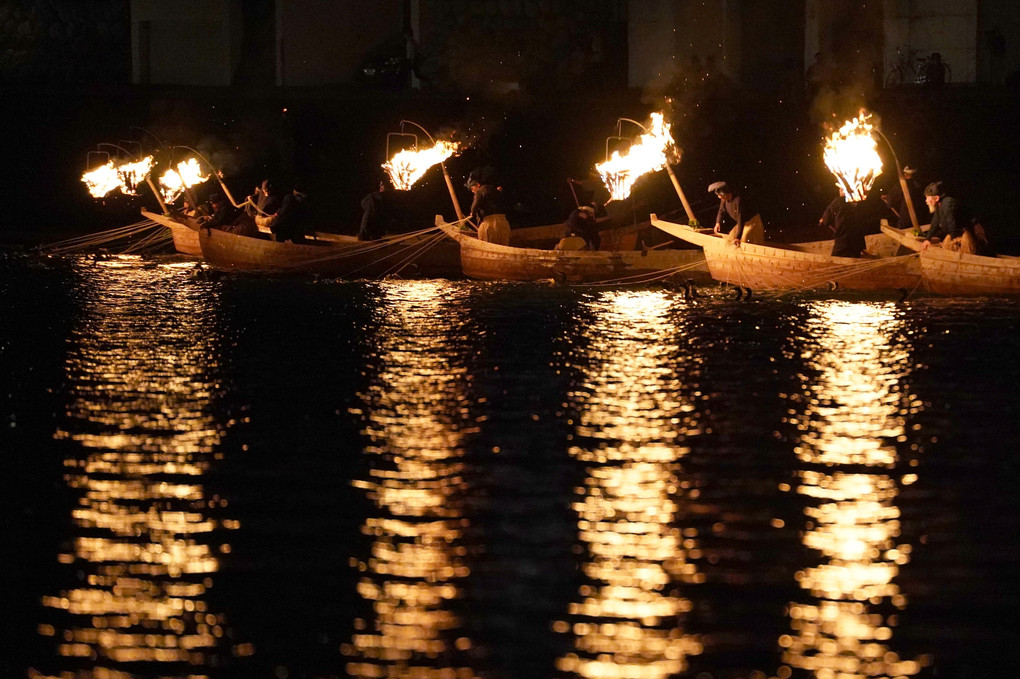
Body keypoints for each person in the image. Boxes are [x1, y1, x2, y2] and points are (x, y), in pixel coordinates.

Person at [922, 181, 990, 255]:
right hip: (954, 234)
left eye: (927, 198)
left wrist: (952, 240)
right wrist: (927, 239)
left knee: (964, 253)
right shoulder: (939, 206)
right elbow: (935, 222)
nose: (926, 201)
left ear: (937, 198)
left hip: (962, 234)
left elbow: (951, 222)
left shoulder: (948, 204)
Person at [709, 181, 765, 245]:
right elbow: (721, 210)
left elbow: (741, 218)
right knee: (731, 238)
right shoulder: (724, 199)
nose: (719, 197)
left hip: (752, 223)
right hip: (741, 223)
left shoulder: (738, 200)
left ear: (726, 193)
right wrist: (718, 223)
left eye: (720, 195)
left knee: (743, 241)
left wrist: (738, 237)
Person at [819, 187, 868, 257]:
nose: (839, 191)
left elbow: (827, 219)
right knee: (855, 259)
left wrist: (823, 220)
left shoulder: (839, 200)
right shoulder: (858, 201)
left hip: (843, 242)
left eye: (841, 189)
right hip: (858, 241)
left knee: (835, 261)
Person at [467, 167, 510, 246]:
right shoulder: (494, 189)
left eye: (472, 188)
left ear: (478, 185)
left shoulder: (479, 191)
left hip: (490, 223)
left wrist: (472, 213)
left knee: (488, 243)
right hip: (504, 222)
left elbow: (475, 205)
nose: (472, 191)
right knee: (502, 244)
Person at [881, 165, 925, 231]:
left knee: (904, 232)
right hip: (922, 218)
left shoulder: (902, 185)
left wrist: (887, 198)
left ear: (905, 174)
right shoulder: (920, 184)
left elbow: (893, 199)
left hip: (907, 219)